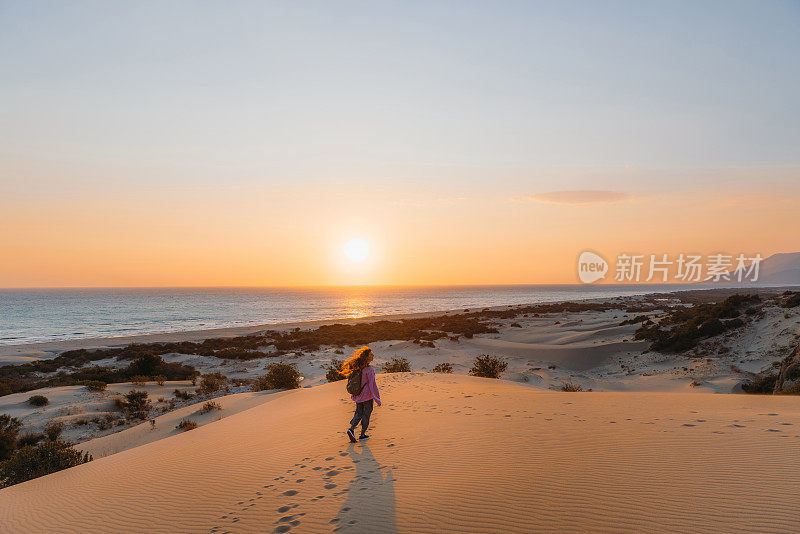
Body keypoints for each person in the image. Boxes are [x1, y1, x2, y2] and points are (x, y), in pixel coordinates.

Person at [340, 346, 382, 442]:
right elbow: (372, 385)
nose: (373, 356)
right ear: (367, 357)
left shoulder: (357, 368)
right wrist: (377, 398)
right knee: (366, 413)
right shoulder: (369, 369)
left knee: (358, 413)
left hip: (358, 395)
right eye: (371, 354)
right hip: (367, 396)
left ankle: (351, 429)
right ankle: (362, 435)